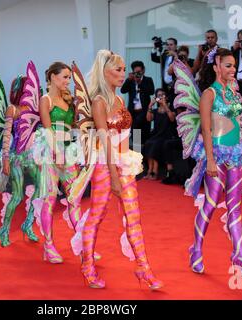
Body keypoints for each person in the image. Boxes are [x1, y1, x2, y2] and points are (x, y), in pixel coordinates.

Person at [80, 49, 163, 290]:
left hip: (124, 162)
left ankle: (144, 268)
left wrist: (124, 167)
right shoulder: (99, 101)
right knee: (97, 215)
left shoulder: (119, 99)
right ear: (104, 72)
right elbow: (104, 140)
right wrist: (114, 176)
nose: (123, 73)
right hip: (105, 166)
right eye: (118, 69)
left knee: (134, 218)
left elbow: (123, 136)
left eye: (124, 69)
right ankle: (87, 267)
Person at [173, 47, 242, 277]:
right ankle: (196, 250)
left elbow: (238, 120)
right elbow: (207, 129)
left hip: (236, 153)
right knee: (209, 204)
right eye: (228, 65)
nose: (232, 70)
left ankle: (240, 256)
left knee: (235, 207)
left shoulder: (235, 93)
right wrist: (209, 159)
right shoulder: (209, 93)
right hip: (216, 154)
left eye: (234, 67)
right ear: (217, 65)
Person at [35, 62, 85, 264]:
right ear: (53, 77)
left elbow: (73, 129)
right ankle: (48, 245)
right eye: (64, 77)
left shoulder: (69, 100)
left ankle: (82, 244)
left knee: (74, 198)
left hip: (68, 150)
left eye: (69, 78)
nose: (67, 82)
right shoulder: (45, 100)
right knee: (50, 198)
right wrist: (57, 153)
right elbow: (47, 129)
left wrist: (78, 153)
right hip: (50, 152)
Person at [0, 75, 41, 246]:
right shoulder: (12, 109)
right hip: (15, 157)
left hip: (29, 155)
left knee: (41, 188)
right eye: (27, 88)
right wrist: (5, 161)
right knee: (17, 196)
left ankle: (28, 224)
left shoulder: (34, 108)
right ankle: (4, 230)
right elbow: (6, 137)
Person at [143, 88, 176, 180]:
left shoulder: (171, 107)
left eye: (162, 95)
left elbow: (172, 119)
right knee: (148, 143)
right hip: (157, 134)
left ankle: (155, 171)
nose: (160, 97)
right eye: (158, 95)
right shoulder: (156, 110)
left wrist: (165, 105)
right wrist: (150, 105)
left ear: (166, 97)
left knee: (155, 144)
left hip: (167, 135)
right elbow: (148, 119)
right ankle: (150, 170)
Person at [120, 60, 155, 144]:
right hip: (133, 112)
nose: (137, 74)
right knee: (136, 131)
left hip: (144, 111)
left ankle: (144, 153)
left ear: (143, 71)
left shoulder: (148, 80)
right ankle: (137, 151)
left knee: (144, 132)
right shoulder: (131, 81)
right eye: (135, 72)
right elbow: (122, 90)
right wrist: (128, 79)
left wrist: (140, 82)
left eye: (139, 72)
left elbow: (152, 91)